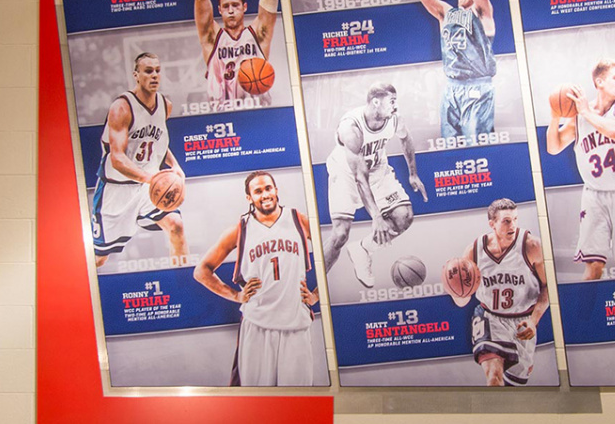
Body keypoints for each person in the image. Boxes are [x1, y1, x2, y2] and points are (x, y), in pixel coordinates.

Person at [193, 171, 318, 386]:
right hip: (257, 325)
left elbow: (333, 253)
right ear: (249, 198)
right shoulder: (240, 230)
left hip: (295, 323)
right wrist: (236, 296)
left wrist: (316, 296)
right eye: (258, 191)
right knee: (257, 401)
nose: (265, 194)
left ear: (276, 190)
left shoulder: (300, 220)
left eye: (268, 188)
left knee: (297, 399)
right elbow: (201, 271)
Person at [545, 59, 615, 280]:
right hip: (594, 197)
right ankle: (584, 316)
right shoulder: (580, 115)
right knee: (593, 268)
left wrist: (585, 112)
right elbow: (553, 148)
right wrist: (555, 117)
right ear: (599, 81)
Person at [325, 82, 428, 287]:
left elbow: (406, 139)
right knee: (340, 234)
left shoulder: (394, 119)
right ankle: (312, 285)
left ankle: (363, 249)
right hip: (346, 173)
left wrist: (413, 174)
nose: (395, 106)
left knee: (403, 217)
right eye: (391, 101)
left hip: (377, 169)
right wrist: (376, 216)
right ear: (375, 102)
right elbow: (359, 178)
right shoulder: (351, 128)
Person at [91, 53, 187, 268]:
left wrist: (175, 166)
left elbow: (156, 141)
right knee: (98, 259)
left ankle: (184, 281)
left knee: (176, 226)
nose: (154, 75)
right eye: (148, 71)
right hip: (117, 190)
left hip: (145, 187)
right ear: (136, 75)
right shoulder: (121, 107)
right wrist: (152, 180)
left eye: (157, 70)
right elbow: (117, 158)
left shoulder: (165, 105)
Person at [445, 199, 549, 386]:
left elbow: (547, 288)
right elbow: (462, 301)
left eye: (516, 219)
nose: (513, 226)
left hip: (522, 321)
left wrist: (534, 321)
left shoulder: (531, 246)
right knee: (494, 377)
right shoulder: (474, 251)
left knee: (512, 387)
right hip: (489, 318)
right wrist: (455, 290)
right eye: (507, 221)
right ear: (492, 224)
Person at [410, 0, 497, 138]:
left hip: (478, 87)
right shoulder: (445, 14)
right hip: (452, 89)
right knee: (450, 149)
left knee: (478, 147)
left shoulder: (482, 12)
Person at [194, 0, 278, 107]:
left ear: (245, 8)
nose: (231, 10)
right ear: (219, 10)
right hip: (223, 116)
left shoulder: (258, 34)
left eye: (235, 5)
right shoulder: (212, 38)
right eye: (226, 6)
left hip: (257, 112)